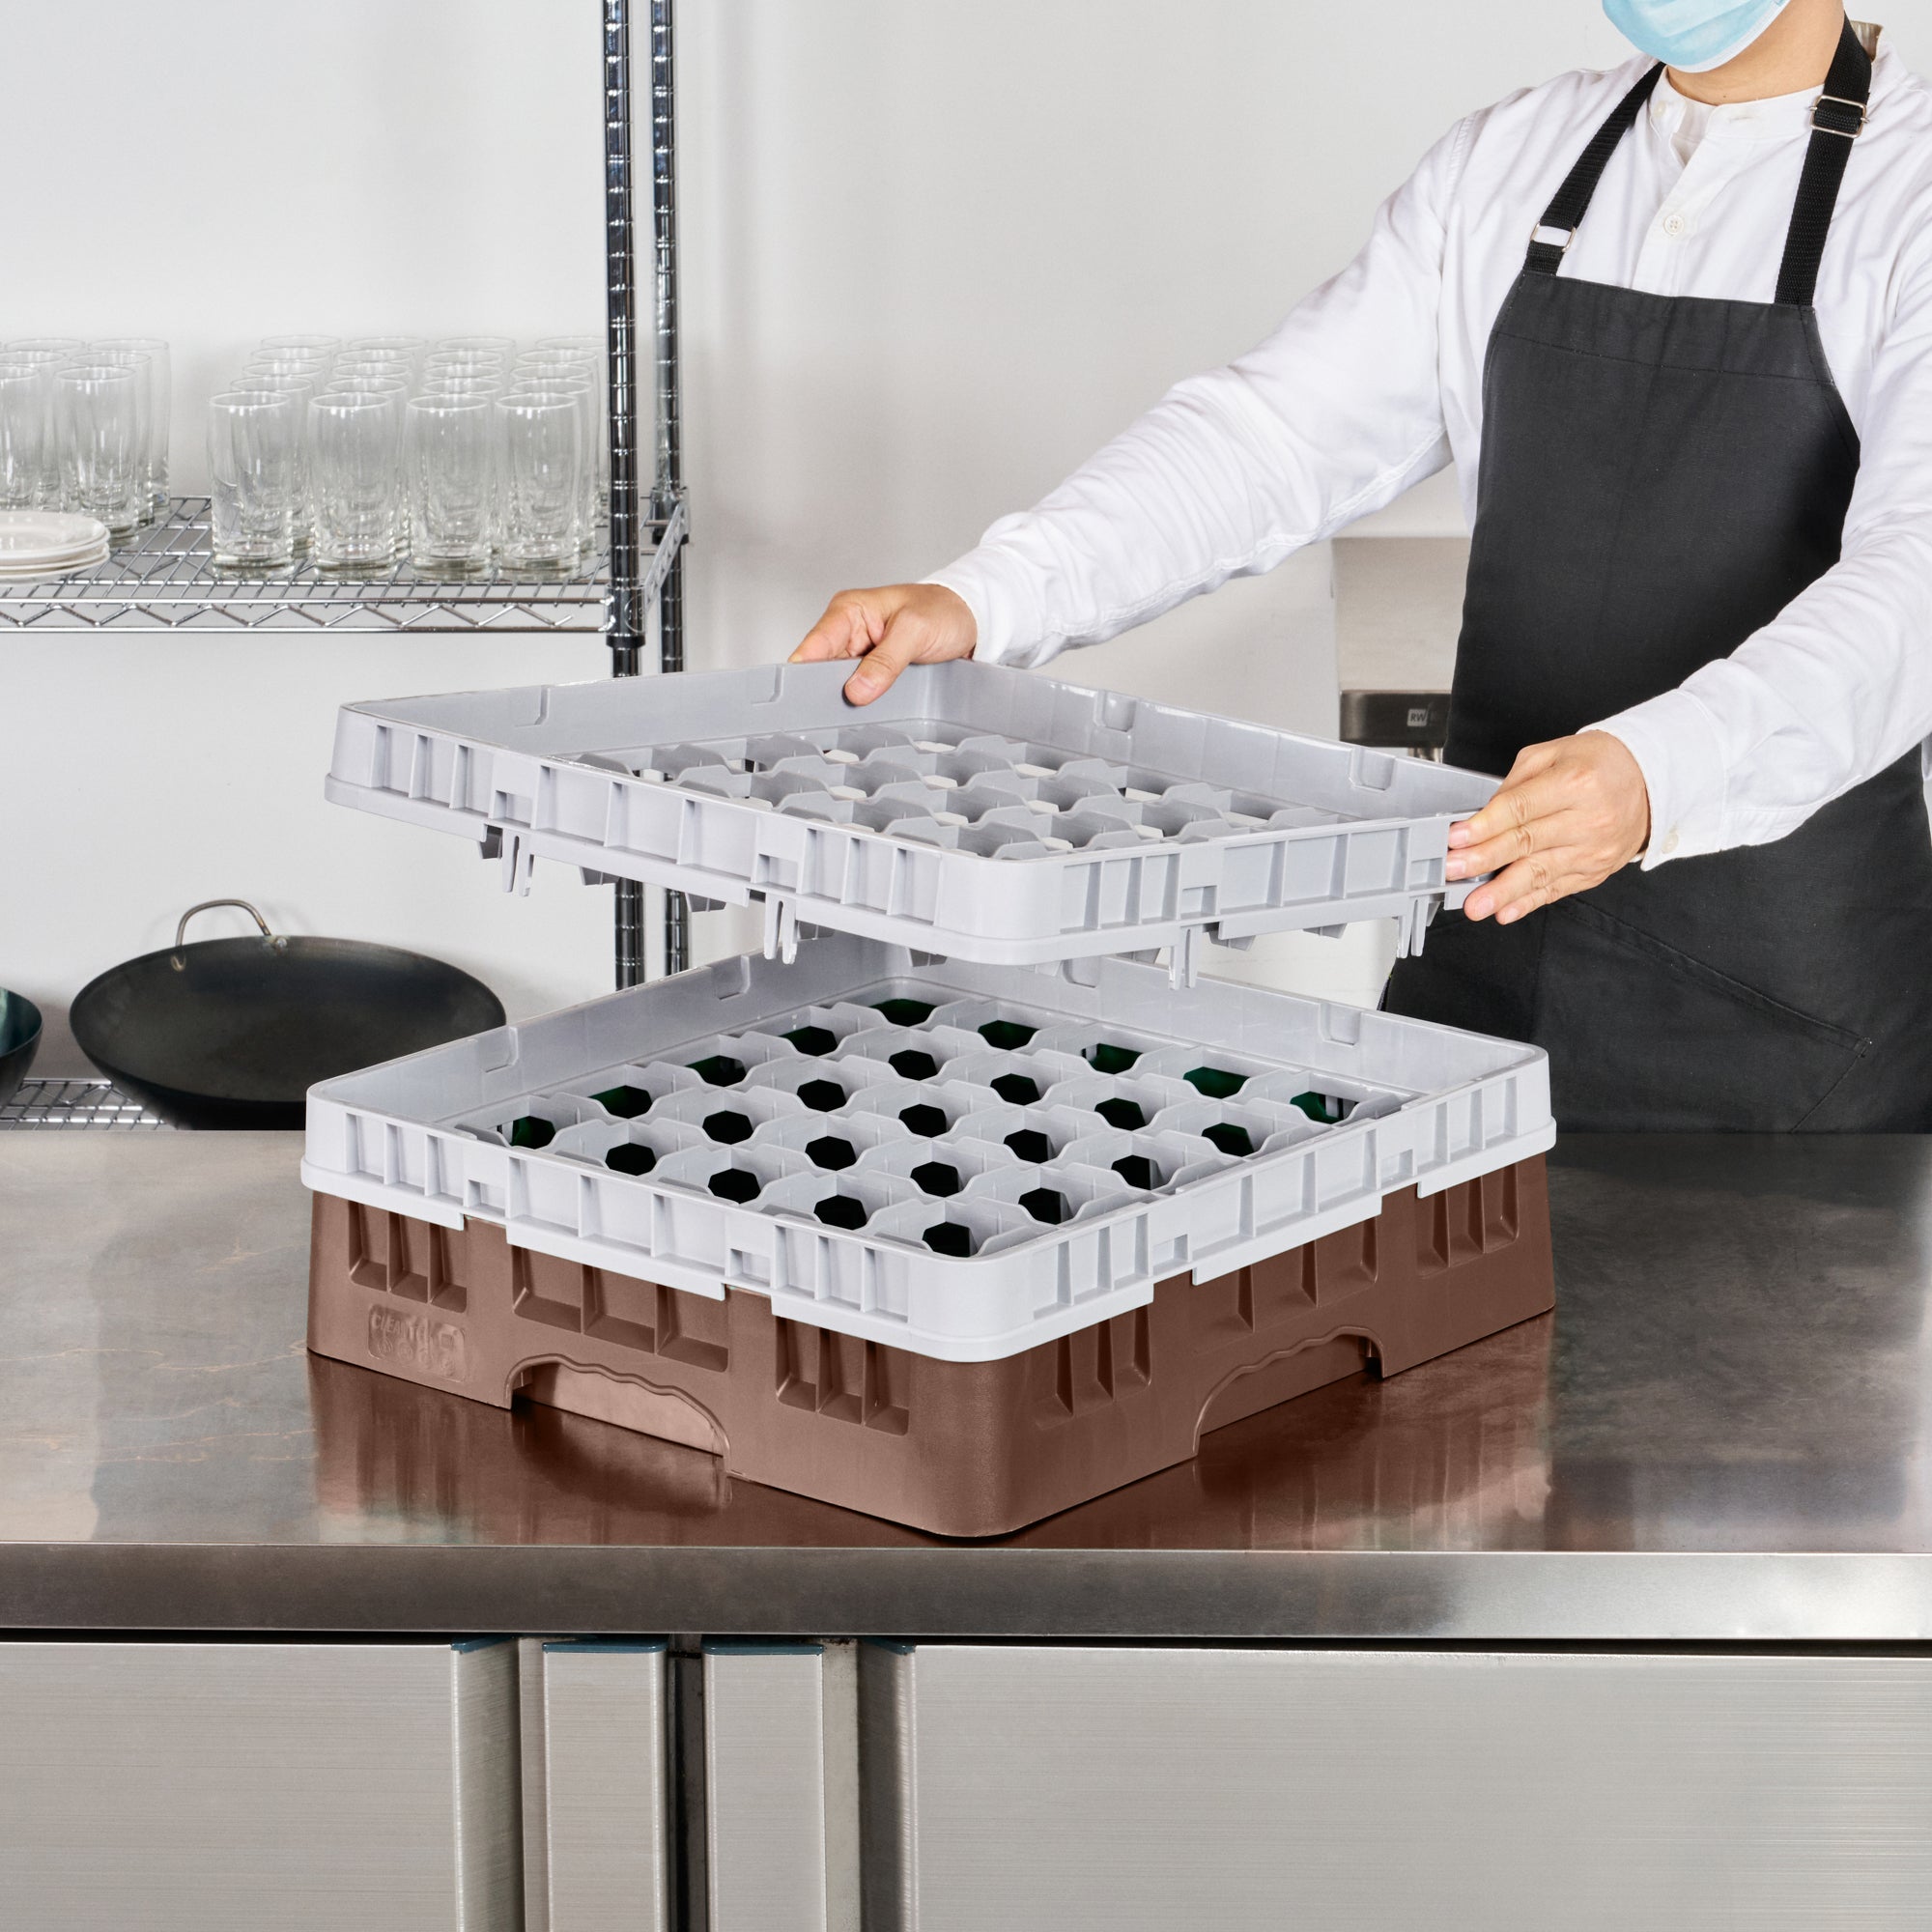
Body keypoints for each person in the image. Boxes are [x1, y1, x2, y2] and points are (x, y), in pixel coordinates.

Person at [790, 0, 1932, 1132]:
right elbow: (1271, 439)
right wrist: (986, 595)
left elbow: (1913, 575)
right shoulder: (1512, 161)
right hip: (1483, 961)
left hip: (1788, 1033)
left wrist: (1661, 772)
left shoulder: (1910, 188)